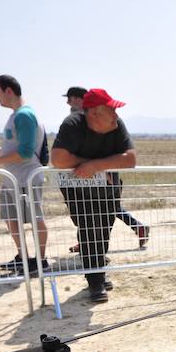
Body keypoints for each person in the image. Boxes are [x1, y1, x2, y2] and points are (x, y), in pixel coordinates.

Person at [51, 88, 136, 303]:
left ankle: (99, 271)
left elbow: (130, 159)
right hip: (77, 190)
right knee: (89, 230)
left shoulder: (117, 125)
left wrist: (96, 165)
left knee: (104, 228)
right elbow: (59, 159)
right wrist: (89, 166)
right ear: (94, 113)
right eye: (112, 110)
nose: (116, 115)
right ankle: (95, 282)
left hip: (108, 188)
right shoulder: (72, 124)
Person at [63, 86, 148, 253]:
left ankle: (96, 251)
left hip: (106, 179)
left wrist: (98, 167)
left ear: (80, 100)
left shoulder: (104, 121)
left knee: (103, 211)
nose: (68, 102)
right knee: (91, 213)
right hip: (86, 179)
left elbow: (121, 154)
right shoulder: (75, 122)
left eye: (71, 98)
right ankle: (90, 246)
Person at [0, 75, 49, 273]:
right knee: (12, 220)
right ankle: (24, 258)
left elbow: (26, 152)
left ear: (8, 90)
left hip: (26, 178)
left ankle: (40, 260)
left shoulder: (23, 115)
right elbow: (17, 147)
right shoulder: (17, 115)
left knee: (35, 219)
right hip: (13, 179)